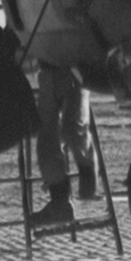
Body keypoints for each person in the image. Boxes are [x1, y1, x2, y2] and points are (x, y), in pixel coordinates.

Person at [31, 61, 97, 226]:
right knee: (46, 140)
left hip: (76, 68)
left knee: (74, 129)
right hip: (49, 70)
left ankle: (88, 171)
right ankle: (60, 203)